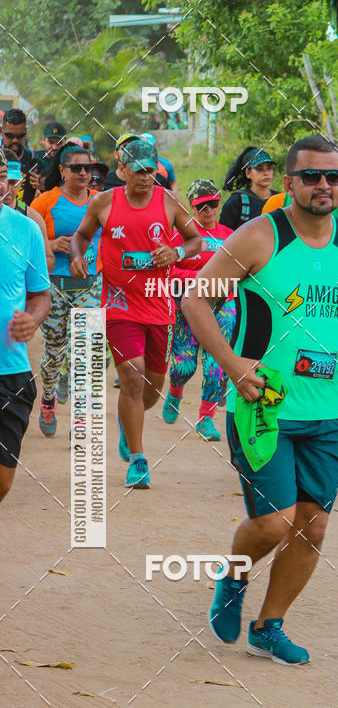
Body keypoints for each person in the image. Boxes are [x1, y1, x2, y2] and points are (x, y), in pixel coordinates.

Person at [182, 135, 338, 664]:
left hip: (327, 411)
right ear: (291, 183)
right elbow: (195, 298)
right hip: (263, 405)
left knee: (314, 523)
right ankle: (233, 579)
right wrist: (233, 365)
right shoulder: (259, 237)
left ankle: (269, 626)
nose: (324, 186)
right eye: (312, 176)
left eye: (334, 177)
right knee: (275, 520)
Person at [70, 138, 202, 489]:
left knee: (152, 388)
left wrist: (175, 252)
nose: (146, 177)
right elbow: (81, 236)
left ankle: (127, 422)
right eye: (139, 170)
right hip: (119, 303)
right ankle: (139, 460)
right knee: (132, 372)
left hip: (158, 304)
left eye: (150, 171)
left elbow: (195, 241)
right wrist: (78, 255)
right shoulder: (103, 202)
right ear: (122, 171)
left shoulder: (170, 202)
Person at [31, 144, 102, 434]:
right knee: (54, 353)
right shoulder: (45, 202)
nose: (83, 173)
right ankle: (48, 400)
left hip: (90, 285)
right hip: (55, 287)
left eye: (88, 168)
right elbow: (28, 240)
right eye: (76, 168)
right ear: (62, 170)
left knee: (83, 351)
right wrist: (50, 244)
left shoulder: (100, 200)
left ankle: (81, 417)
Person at [162, 179, 234, 439]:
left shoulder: (229, 236)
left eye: (213, 204)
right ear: (192, 208)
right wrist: (194, 280)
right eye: (202, 206)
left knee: (217, 364)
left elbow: (240, 268)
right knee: (184, 366)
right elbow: (167, 269)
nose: (209, 211)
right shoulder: (180, 235)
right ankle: (175, 390)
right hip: (187, 304)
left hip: (223, 304)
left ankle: (206, 419)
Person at [0, 149, 51, 502]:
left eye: (1, 173)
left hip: (11, 373)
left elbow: (40, 294)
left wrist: (31, 321)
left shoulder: (26, 229)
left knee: (2, 484)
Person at [263, 188, 338, 254]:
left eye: (331, 176)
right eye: (311, 175)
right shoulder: (276, 203)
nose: (322, 184)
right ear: (290, 181)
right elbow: (263, 249)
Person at [4, 157, 55, 272]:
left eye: (12, 182)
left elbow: (49, 258)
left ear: (21, 180)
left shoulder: (32, 217)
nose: (6, 188)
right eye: (2, 180)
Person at [219, 147, 278, 230]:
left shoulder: (281, 198)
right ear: (248, 173)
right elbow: (223, 235)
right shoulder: (237, 201)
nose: (266, 173)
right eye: (259, 169)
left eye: (269, 168)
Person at [104, 133, 170, 192]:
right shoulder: (104, 182)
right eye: (124, 147)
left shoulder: (158, 181)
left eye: (135, 147)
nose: (130, 151)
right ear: (116, 154)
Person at [0, 109, 38, 205]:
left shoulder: (32, 158)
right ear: (1, 132)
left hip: (23, 214)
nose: (15, 140)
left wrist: (43, 184)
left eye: (20, 136)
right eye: (10, 136)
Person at [33, 120, 67, 192]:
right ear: (43, 139)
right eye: (51, 142)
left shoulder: (69, 161)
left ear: (65, 140)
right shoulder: (34, 158)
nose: (54, 147)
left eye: (59, 143)